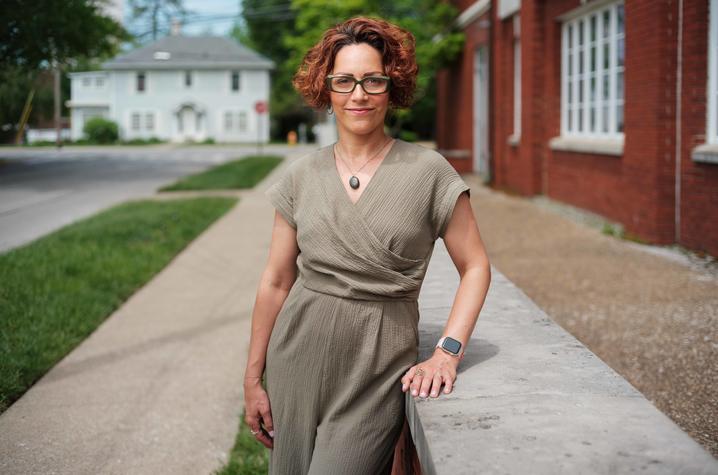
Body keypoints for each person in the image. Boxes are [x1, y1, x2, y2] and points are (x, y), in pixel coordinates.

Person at [242, 16, 491, 475]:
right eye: (345, 81)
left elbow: (475, 266)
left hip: (377, 368)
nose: (359, 94)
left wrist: (447, 352)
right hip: (295, 357)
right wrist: (253, 379)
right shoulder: (301, 176)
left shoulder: (428, 172)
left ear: (391, 86)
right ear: (327, 90)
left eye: (373, 80)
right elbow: (276, 281)